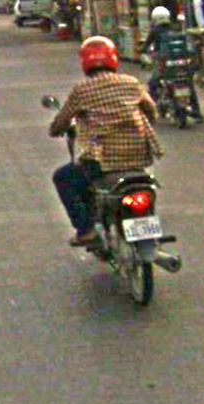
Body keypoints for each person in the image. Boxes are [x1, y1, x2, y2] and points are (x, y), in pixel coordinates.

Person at [50, 36, 163, 247]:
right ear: (113, 59)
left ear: (85, 62)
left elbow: (62, 121)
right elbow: (151, 111)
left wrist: (56, 129)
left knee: (63, 177)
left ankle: (86, 230)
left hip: (101, 164)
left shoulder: (82, 90)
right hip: (139, 159)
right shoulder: (131, 83)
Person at [141, 6, 204, 122]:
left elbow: (145, 46)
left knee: (152, 84)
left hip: (165, 65)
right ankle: (197, 112)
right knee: (189, 84)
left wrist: (144, 50)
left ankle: (151, 111)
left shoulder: (154, 31)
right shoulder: (176, 28)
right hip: (182, 65)